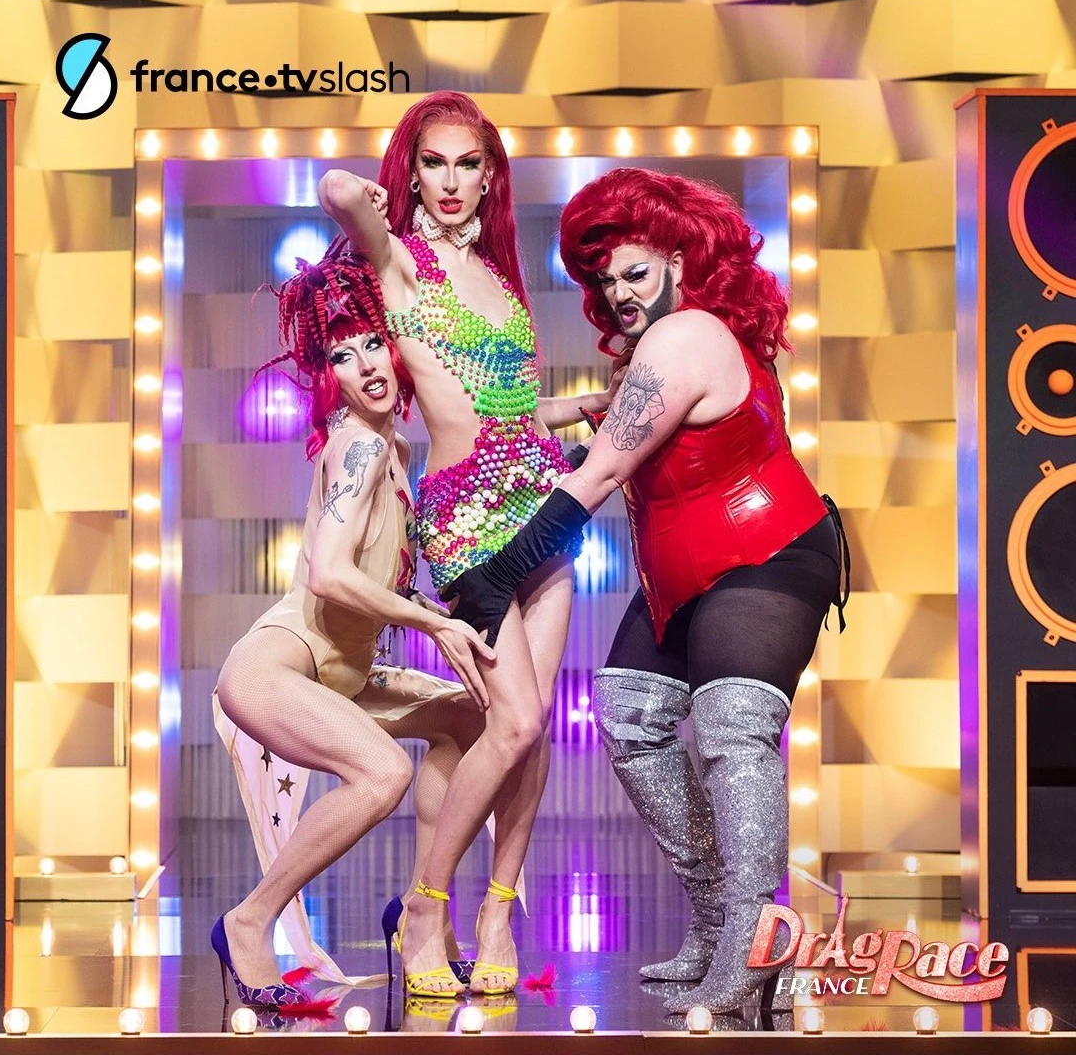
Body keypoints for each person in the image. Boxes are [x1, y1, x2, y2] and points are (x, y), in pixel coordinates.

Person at [444, 167, 850, 1016]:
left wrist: (498, 578)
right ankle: (716, 920)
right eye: (605, 280)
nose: (618, 293)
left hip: (768, 552)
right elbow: (607, 438)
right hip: (684, 575)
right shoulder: (656, 349)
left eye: (635, 273)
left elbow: (598, 476)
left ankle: (755, 947)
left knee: (733, 732)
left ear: (681, 261)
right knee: (629, 712)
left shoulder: (686, 335)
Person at [317, 91, 617, 997]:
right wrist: (374, 199)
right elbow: (336, 191)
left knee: (533, 732)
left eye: (467, 164)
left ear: (491, 176)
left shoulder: (499, 276)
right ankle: (425, 904)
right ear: (413, 173)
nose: (451, 180)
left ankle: (497, 910)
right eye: (434, 163)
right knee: (513, 718)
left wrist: (584, 406)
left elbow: (508, 405)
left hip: (542, 505)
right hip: (466, 519)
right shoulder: (400, 261)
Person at [210, 244, 495, 1009]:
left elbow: (370, 581)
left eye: (374, 342)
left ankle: (421, 910)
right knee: (382, 773)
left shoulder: (395, 447)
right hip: (282, 664)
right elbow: (330, 576)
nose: (366, 364)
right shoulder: (363, 446)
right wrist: (432, 625)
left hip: (345, 673)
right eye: (342, 354)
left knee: (470, 720)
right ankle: (248, 921)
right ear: (326, 375)